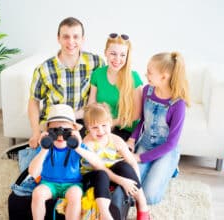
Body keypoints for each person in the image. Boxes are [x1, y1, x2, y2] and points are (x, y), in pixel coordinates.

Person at [28, 17, 105, 148]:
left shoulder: (96, 63)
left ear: (83, 39)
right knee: (50, 161)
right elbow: (33, 101)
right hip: (54, 122)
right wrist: (35, 133)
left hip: (80, 121)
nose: (71, 42)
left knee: (83, 157)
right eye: (66, 37)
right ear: (58, 38)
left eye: (76, 37)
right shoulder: (44, 69)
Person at [127, 52, 190, 205]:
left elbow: (171, 143)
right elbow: (143, 120)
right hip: (146, 144)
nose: (146, 74)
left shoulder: (178, 104)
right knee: (130, 189)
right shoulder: (147, 90)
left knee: (149, 197)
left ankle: (170, 168)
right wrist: (132, 138)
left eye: (149, 71)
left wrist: (140, 158)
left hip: (166, 151)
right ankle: (155, 168)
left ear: (164, 76)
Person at [28, 104, 104, 220]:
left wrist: (78, 147)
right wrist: (44, 149)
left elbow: (99, 164)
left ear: (73, 131)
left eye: (65, 131)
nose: (60, 135)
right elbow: (33, 173)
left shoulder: (77, 147)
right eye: (55, 131)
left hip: (72, 183)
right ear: (48, 131)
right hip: (48, 183)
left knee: (75, 195)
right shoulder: (46, 147)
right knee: (37, 193)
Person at [82, 103, 150, 220]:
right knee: (102, 174)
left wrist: (137, 187)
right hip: (94, 177)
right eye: (95, 127)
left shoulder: (116, 140)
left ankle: (142, 205)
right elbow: (101, 169)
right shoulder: (88, 144)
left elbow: (132, 163)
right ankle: (106, 216)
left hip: (113, 175)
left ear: (110, 123)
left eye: (104, 125)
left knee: (124, 166)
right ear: (88, 128)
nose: (100, 131)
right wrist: (123, 181)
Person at [87, 33, 143, 141]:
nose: (117, 59)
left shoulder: (134, 78)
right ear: (106, 53)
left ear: (127, 57)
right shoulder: (97, 74)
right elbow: (91, 105)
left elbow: (136, 115)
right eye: (113, 53)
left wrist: (110, 123)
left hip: (125, 130)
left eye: (122, 55)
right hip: (101, 128)